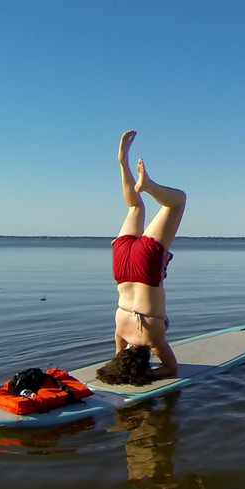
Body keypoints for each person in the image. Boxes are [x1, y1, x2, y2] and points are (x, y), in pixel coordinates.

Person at [97, 130, 186, 385]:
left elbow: (171, 368)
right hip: (122, 266)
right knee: (135, 207)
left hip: (146, 271)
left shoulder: (153, 341)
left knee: (177, 202)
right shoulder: (120, 335)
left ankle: (149, 186)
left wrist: (149, 373)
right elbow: (119, 353)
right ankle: (122, 162)